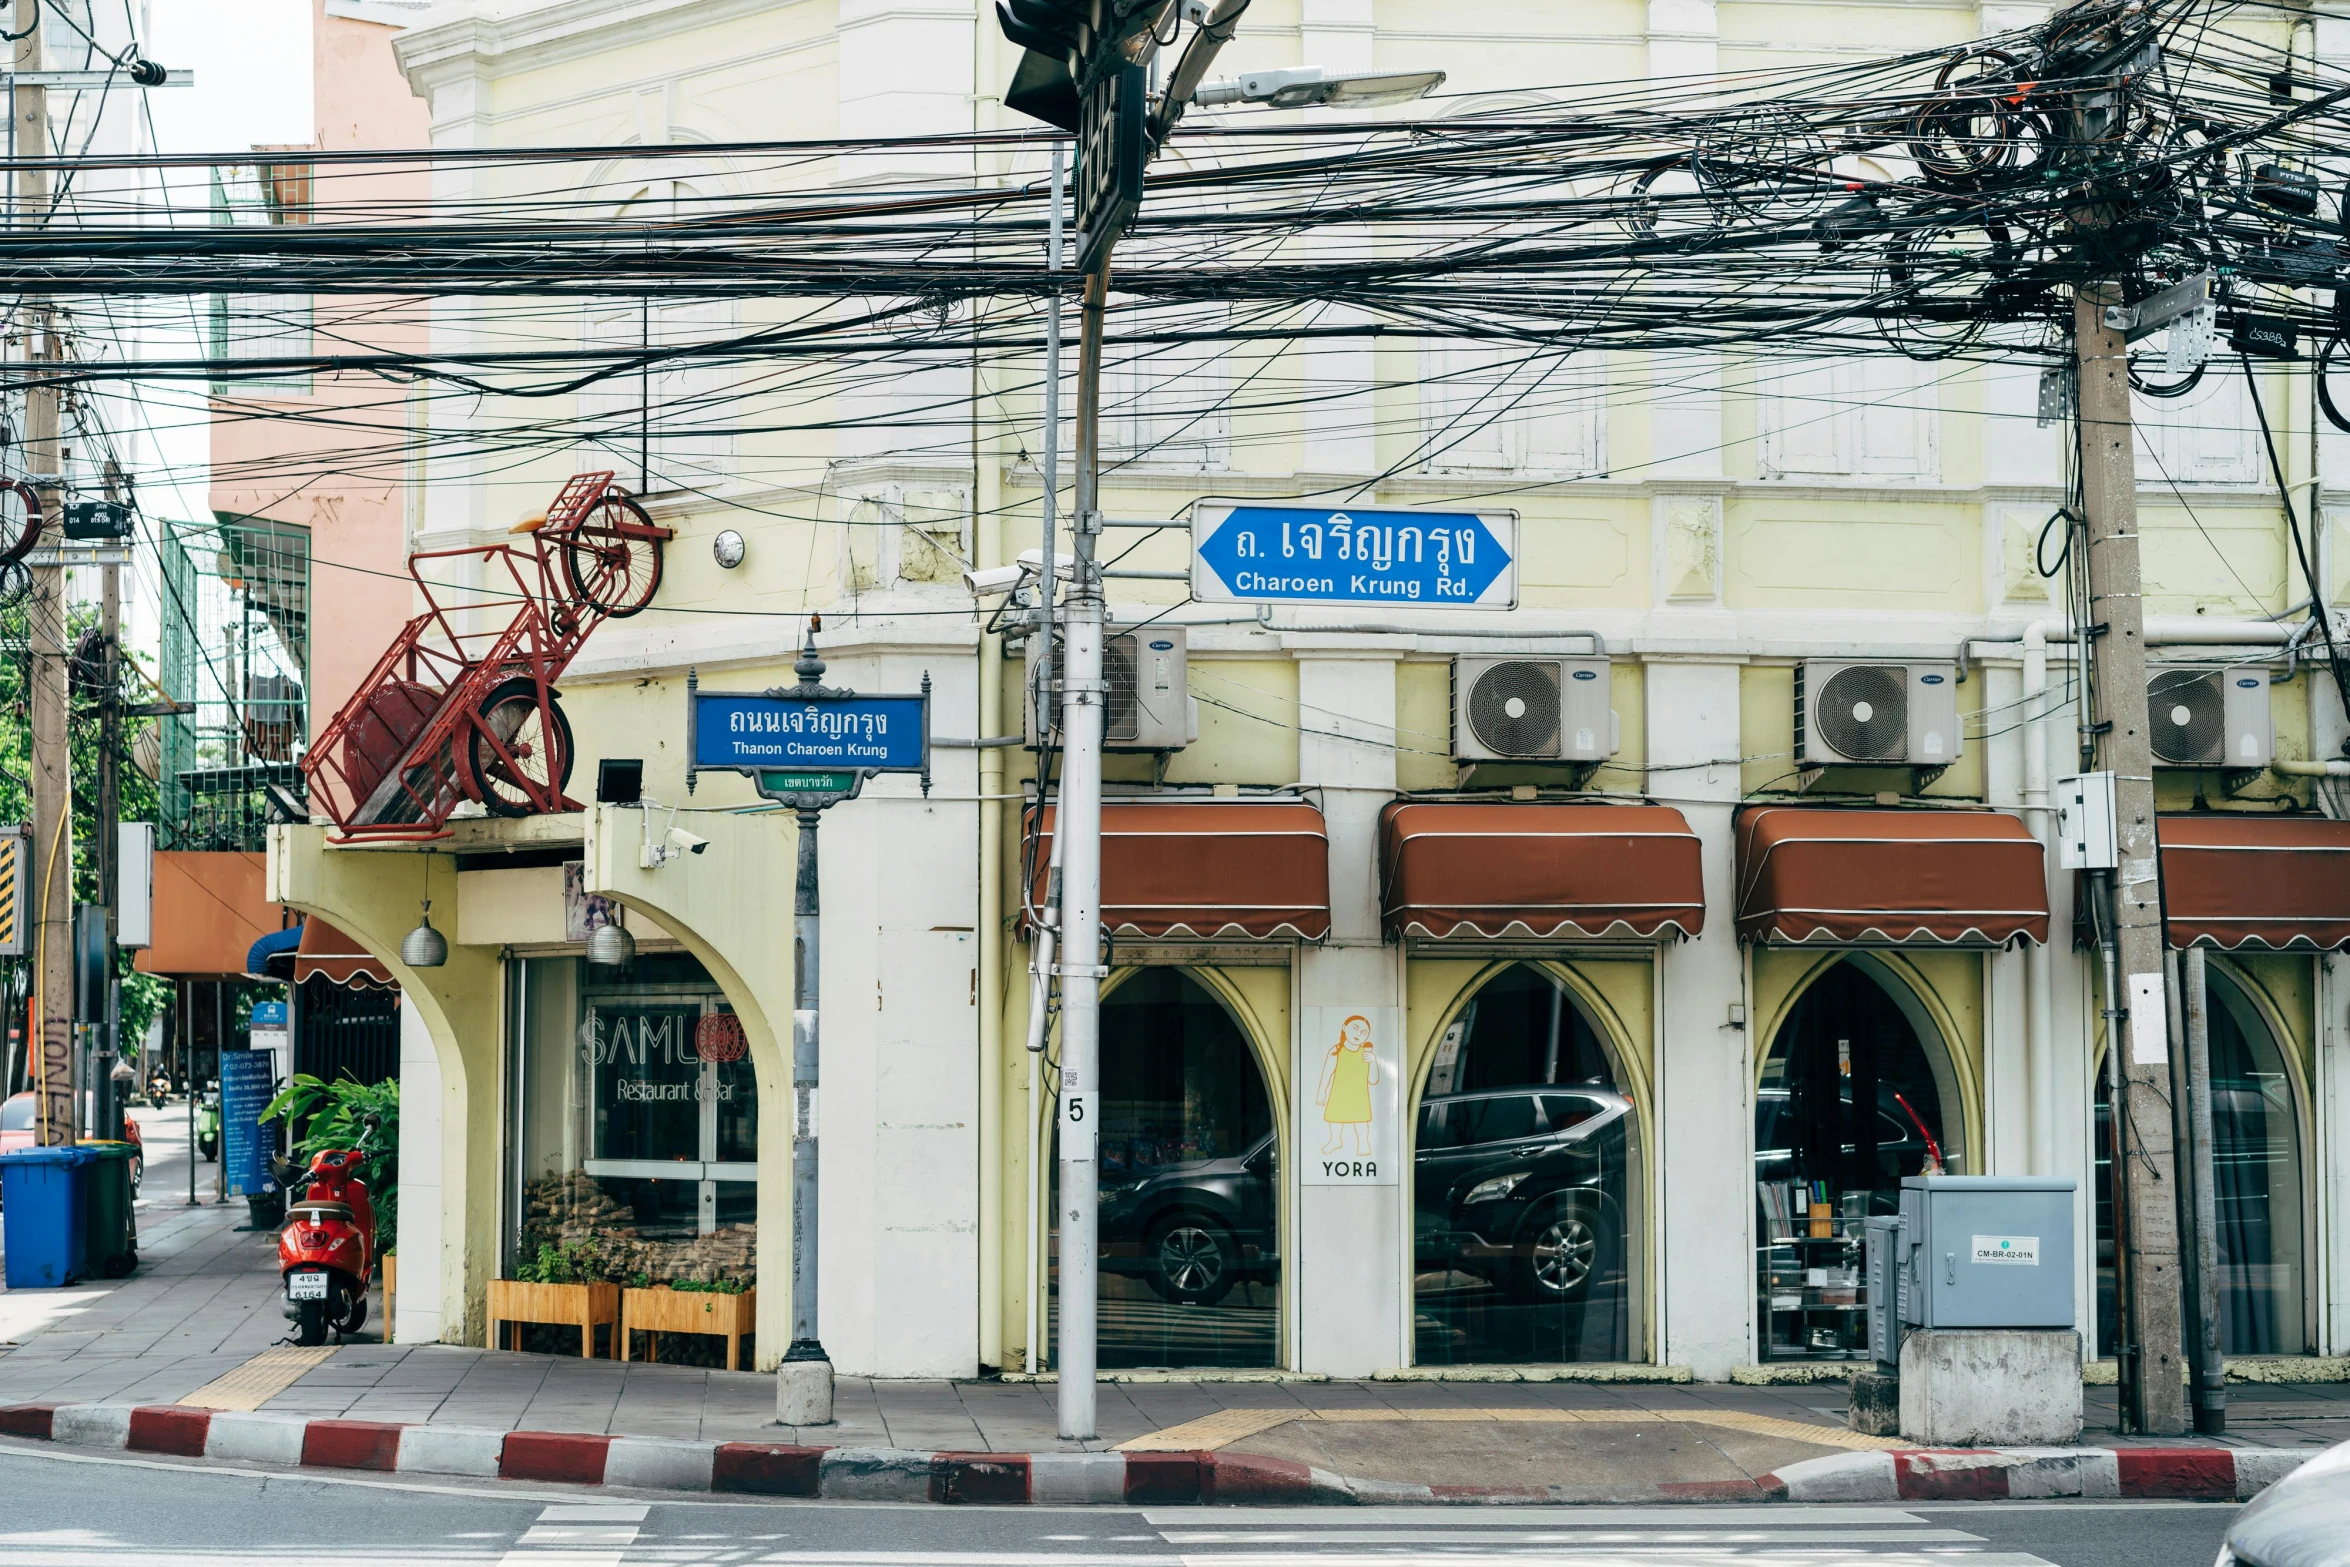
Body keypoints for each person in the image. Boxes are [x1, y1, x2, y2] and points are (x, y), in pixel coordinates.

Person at [1315, 1013, 1379, 1158]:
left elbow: (1373, 1080)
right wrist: (1321, 1091)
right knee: (1335, 1117)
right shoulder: (1336, 1050)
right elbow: (1327, 1073)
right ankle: (1335, 1140)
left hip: (1359, 1095)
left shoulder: (1366, 1054)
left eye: (1364, 1032)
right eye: (1355, 1028)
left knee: (1361, 1120)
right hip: (1339, 1093)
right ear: (1344, 1027)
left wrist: (1373, 1061)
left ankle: (1363, 1142)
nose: (1359, 1034)